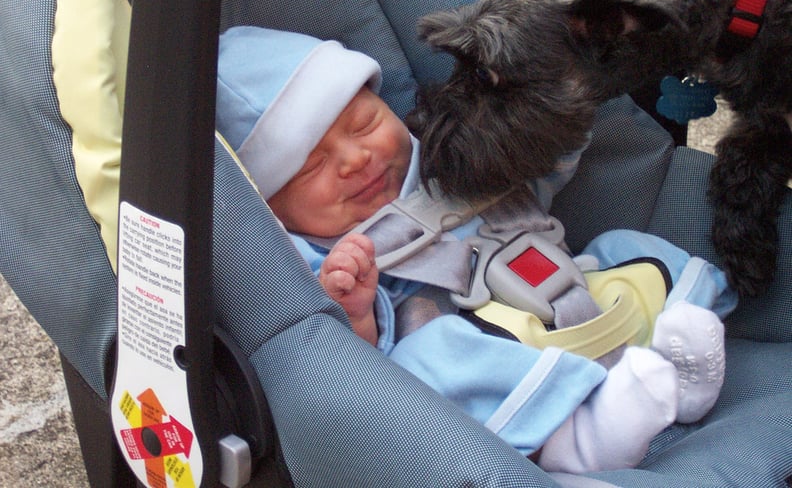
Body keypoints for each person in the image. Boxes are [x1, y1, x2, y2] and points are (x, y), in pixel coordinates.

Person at [215, 25, 733, 474]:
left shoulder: (452, 151)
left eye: (365, 125)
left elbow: (542, 164)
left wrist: (555, 115)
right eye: (311, 167)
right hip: (491, 359)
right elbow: (344, 373)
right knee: (428, 362)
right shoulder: (310, 258)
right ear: (273, 207)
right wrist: (354, 311)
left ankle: (677, 356)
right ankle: (582, 436)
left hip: (573, 295)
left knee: (630, 248)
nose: (355, 159)